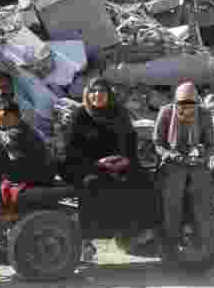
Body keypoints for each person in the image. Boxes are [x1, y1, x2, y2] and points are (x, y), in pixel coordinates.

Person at [62, 77, 154, 260]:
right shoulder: (79, 116)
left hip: (119, 164)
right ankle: (86, 240)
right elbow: (71, 149)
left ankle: (134, 233)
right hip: (87, 165)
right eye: (94, 91)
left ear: (108, 95)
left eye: (102, 91)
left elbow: (130, 142)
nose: (98, 95)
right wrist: (97, 163)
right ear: (88, 94)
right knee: (92, 184)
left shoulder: (119, 113)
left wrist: (126, 160)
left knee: (141, 180)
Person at [152, 81, 214, 261]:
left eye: (190, 105)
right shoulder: (165, 112)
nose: (186, 109)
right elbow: (157, 143)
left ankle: (205, 241)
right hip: (173, 163)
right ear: (175, 103)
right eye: (182, 105)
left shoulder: (204, 115)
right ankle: (171, 241)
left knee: (203, 199)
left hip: (197, 163)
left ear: (197, 103)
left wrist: (203, 156)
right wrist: (170, 154)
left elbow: (211, 145)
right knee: (172, 199)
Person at [0, 99, 56, 204]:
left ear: (12, 116)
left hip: (39, 175)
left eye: (2, 117)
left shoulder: (20, 132)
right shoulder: (13, 129)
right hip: (28, 168)